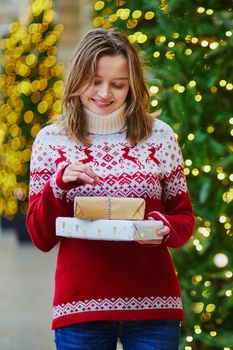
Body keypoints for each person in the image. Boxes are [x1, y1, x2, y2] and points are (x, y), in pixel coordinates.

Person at [26, 28, 195, 350]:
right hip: (79, 308)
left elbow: (184, 219)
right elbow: (40, 236)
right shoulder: (51, 141)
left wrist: (162, 226)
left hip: (153, 305)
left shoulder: (160, 137)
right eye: (95, 81)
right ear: (77, 78)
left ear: (133, 87)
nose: (105, 93)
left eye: (118, 85)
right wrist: (58, 185)